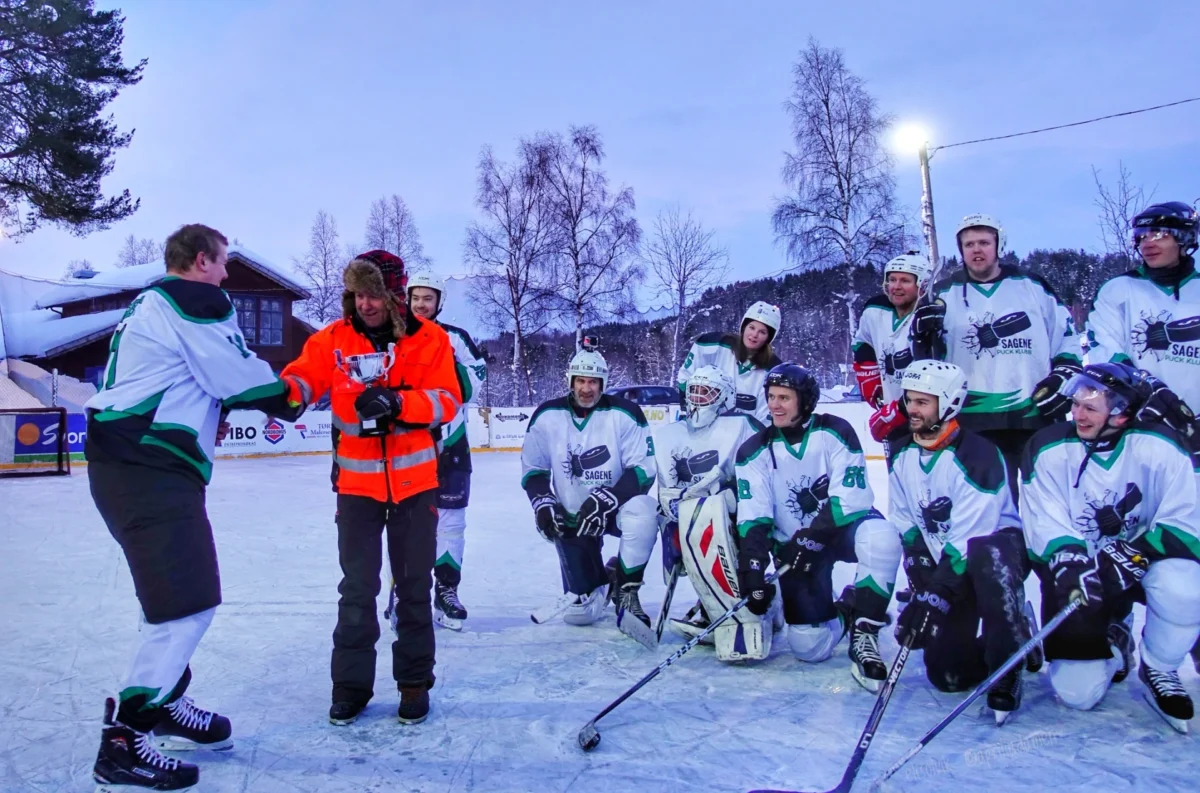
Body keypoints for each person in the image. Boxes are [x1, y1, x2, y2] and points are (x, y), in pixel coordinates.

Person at [87, 224, 307, 791]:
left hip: (132, 465)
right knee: (188, 605)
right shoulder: (193, 297)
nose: (228, 275)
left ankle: (164, 702)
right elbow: (238, 376)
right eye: (224, 262)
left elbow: (194, 380)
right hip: (148, 468)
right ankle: (125, 738)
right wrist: (296, 394)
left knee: (168, 602)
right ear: (202, 260)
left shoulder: (152, 303)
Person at [281, 250, 462, 727]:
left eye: (374, 294)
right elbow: (301, 376)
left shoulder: (430, 340)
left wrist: (399, 402)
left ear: (396, 296)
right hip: (357, 488)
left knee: (413, 589)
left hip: (416, 486)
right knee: (357, 589)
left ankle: (414, 683)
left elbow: (448, 401)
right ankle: (351, 688)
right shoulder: (334, 340)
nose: (365, 304)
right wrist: (285, 394)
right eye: (358, 294)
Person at [1021, 362, 1200, 733]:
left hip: (1144, 563)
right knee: (1077, 694)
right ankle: (1116, 638)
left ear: (1120, 415)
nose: (1077, 413)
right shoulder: (1048, 448)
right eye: (1076, 404)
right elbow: (1043, 519)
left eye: (1090, 407)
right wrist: (1071, 563)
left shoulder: (1159, 446)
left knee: (1187, 586)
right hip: (1081, 575)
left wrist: (1138, 553)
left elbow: (1187, 519)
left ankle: (1160, 667)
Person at [734, 364, 902, 691]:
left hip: (841, 531)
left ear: (806, 400)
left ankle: (866, 630)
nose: (775, 405)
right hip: (795, 551)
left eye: (784, 397)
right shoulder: (753, 451)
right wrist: (752, 568)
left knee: (881, 538)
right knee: (809, 647)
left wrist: (811, 537)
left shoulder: (835, 430)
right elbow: (754, 516)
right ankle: (849, 608)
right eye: (771, 397)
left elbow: (850, 499)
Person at [888, 360, 1037, 724]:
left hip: (992, 556)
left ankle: (1007, 663)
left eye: (924, 402)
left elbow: (968, 539)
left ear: (949, 403)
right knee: (947, 676)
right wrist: (924, 587)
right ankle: (1021, 636)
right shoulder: (903, 454)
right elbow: (908, 528)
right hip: (948, 566)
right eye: (910, 400)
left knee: (987, 555)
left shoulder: (978, 456)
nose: (913, 409)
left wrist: (935, 596)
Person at [910, 214, 1081, 497]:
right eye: (969, 244)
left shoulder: (1032, 286)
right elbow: (927, 362)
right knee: (984, 504)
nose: (976, 249)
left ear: (998, 245)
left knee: (1047, 500)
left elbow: (1067, 339)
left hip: (1033, 413)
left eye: (984, 242)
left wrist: (1063, 377)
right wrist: (920, 336)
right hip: (973, 419)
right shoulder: (944, 293)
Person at [520, 341, 660, 646]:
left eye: (593, 382)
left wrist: (608, 498)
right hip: (574, 516)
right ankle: (605, 578)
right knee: (580, 614)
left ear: (603, 383)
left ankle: (626, 589)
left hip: (616, 507)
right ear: (570, 381)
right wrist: (543, 505)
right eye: (581, 381)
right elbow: (534, 470)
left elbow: (644, 469)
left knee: (645, 512)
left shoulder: (625, 413)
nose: (587, 388)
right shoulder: (547, 415)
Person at [385, 272, 487, 631]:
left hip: (451, 442)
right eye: (416, 298)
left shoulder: (456, 339)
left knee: (451, 521)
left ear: (439, 302)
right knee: (406, 521)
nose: (422, 305)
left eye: (429, 299)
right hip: (408, 444)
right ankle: (403, 592)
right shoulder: (394, 335)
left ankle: (446, 590)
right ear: (407, 299)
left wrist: (442, 365)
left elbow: (473, 383)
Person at [653, 366, 768, 659]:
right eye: (694, 391)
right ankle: (711, 608)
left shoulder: (742, 425)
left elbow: (760, 470)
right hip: (691, 514)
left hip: (736, 513)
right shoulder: (671, 434)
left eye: (708, 392)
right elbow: (665, 487)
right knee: (690, 533)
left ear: (724, 397)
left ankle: (744, 614)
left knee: (716, 526)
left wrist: (728, 491)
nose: (699, 398)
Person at [1087, 201, 1200, 435]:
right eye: (1141, 235)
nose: (1148, 243)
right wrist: (1150, 395)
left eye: (1159, 234)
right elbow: (1107, 354)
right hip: (1139, 425)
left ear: (1185, 238)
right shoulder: (1117, 290)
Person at [853, 251, 936, 445]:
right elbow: (862, 342)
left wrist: (902, 408)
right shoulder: (874, 312)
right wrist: (869, 378)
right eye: (892, 279)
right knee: (897, 473)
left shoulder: (932, 317)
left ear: (922, 285)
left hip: (928, 417)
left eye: (905, 281)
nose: (896, 287)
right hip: (893, 414)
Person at [677, 301, 783, 423]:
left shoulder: (772, 371)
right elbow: (685, 377)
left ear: (769, 338)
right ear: (743, 327)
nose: (754, 335)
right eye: (752, 327)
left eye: (762, 332)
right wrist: (686, 409)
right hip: (703, 427)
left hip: (743, 438)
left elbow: (765, 417)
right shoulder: (713, 346)